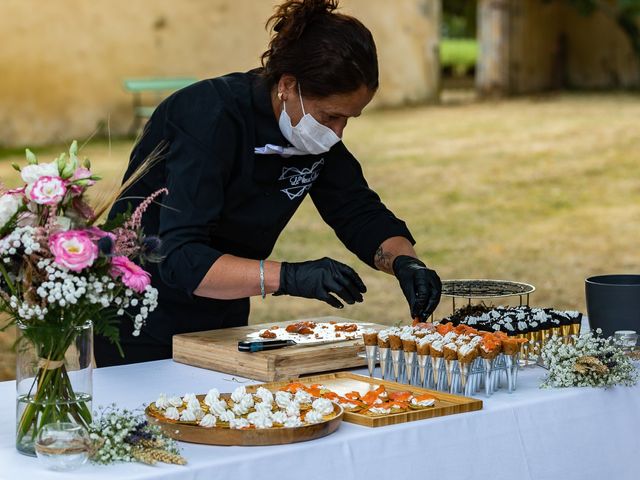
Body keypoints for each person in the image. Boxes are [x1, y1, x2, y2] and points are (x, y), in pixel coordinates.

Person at [95, 0, 442, 366]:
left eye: (349, 119)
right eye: (331, 116)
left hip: (222, 321)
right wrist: (289, 277)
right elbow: (181, 258)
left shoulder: (310, 133)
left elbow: (358, 210)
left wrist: (406, 264)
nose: (337, 132)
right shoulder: (209, 118)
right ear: (288, 86)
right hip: (140, 324)